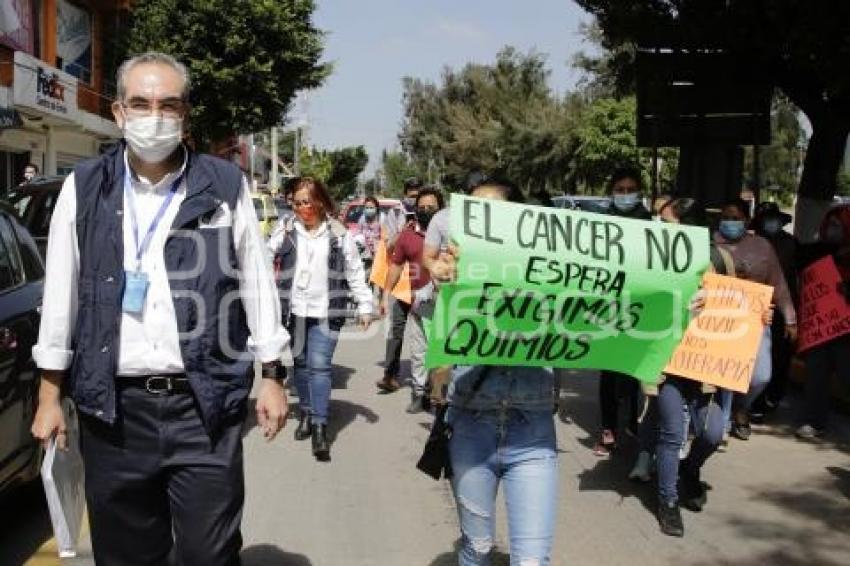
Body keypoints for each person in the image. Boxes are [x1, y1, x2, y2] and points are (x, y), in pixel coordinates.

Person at [29, 52, 289, 565]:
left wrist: (274, 374)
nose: (155, 116)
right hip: (115, 413)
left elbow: (256, 284)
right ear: (119, 112)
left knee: (209, 553)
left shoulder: (224, 186)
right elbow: (61, 294)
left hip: (204, 408)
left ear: (185, 114)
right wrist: (49, 394)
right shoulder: (84, 188)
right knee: (127, 555)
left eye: (168, 105)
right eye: (141, 103)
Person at [430, 178, 559, 565]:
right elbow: (444, 336)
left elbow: (606, 313)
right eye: (472, 208)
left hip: (532, 431)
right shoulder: (457, 266)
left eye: (491, 208)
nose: (479, 216)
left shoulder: (551, 270)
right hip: (471, 425)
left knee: (532, 560)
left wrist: (680, 300)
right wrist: (443, 277)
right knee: (476, 549)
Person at [647, 197, 754, 537]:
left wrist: (758, 315)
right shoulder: (654, 261)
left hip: (707, 366)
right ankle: (668, 502)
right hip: (667, 364)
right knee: (672, 434)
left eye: (669, 223)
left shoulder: (719, 259)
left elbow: (740, 304)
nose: (664, 230)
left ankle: (689, 471)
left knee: (710, 433)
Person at [268, 177, 374, 461]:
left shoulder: (339, 234)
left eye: (308, 201)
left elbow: (354, 272)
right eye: (298, 202)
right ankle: (305, 410)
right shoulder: (287, 228)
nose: (303, 207)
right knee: (301, 364)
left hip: (328, 310)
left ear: (321, 201)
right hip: (294, 310)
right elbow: (265, 255)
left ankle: (319, 425)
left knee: (320, 365)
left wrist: (365, 305)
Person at [714, 198, 797, 441]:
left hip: (756, 321)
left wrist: (790, 319)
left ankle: (742, 405)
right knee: (724, 375)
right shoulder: (709, 244)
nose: (731, 222)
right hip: (719, 322)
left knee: (761, 376)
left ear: (746, 220)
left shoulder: (762, 247)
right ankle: (721, 424)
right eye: (726, 217)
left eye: (736, 217)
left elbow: (779, 285)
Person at [594, 166, 651, 456]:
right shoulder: (602, 225)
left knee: (631, 373)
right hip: (608, 306)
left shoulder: (650, 224)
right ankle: (608, 429)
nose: (625, 195)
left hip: (638, 306)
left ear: (639, 192)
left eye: (631, 190)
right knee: (609, 371)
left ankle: (630, 424)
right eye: (620, 190)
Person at [380, 187, 443, 413]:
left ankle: (440, 395)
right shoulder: (408, 236)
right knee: (419, 351)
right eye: (422, 208)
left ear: (441, 209)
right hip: (420, 303)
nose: (426, 211)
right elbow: (396, 267)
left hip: (447, 303)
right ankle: (419, 393)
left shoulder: (450, 235)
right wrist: (386, 294)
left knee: (442, 352)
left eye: (432, 208)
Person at [795, 205, 850, 439]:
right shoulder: (816, 252)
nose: (831, 230)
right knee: (817, 374)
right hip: (821, 329)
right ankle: (814, 421)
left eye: (838, 226)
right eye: (830, 225)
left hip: (846, 332)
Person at [750, 202, 798, 419]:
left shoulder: (791, 244)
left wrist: (792, 316)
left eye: (774, 218)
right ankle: (754, 403)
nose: (771, 223)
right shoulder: (750, 243)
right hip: (754, 309)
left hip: (782, 309)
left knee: (781, 356)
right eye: (766, 218)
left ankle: (772, 398)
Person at [376, 178, 422, 393]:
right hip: (402, 281)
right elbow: (389, 246)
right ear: (405, 194)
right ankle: (390, 374)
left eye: (417, 195)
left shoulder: (431, 215)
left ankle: (428, 381)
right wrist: (404, 231)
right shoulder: (394, 214)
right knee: (396, 330)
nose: (414, 200)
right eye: (411, 195)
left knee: (426, 333)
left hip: (424, 281)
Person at [353, 195, 382, 279]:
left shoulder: (382, 219)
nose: (369, 209)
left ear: (376, 208)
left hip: (379, 255)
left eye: (371, 207)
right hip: (366, 256)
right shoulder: (362, 219)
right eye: (367, 207)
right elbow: (358, 235)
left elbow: (385, 237)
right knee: (366, 278)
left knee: (380, 280)